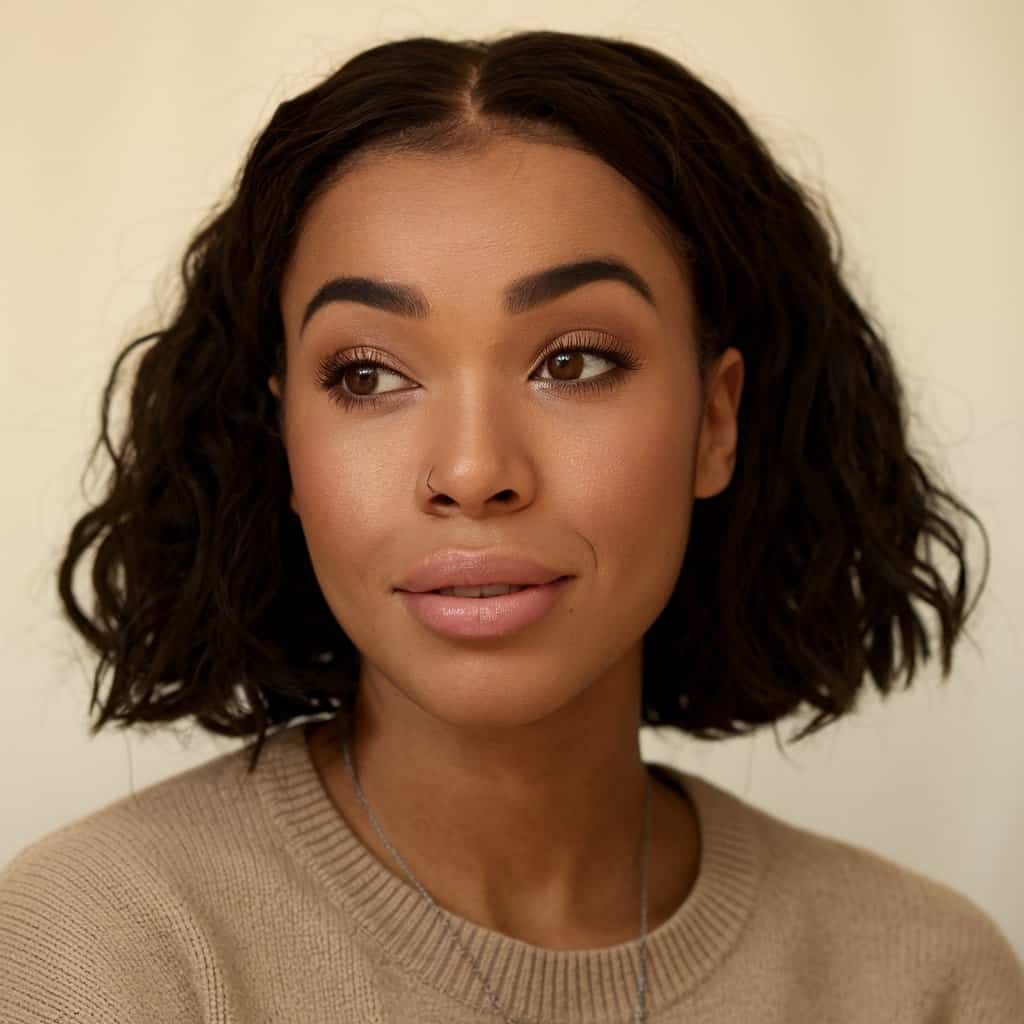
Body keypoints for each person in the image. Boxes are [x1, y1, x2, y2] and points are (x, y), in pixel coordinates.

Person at [1, 28, 1021, 1024]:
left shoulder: (926, 977)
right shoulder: (98, 952)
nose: (474, 471)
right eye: (366, 375)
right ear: (282, 443)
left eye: (572, 361)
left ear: (716, 422)